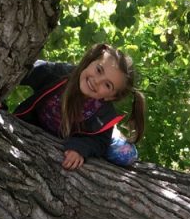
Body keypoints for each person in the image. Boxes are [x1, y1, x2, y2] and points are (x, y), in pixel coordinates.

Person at [11, 43, 146, 171]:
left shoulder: (104, 113)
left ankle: (114, 133)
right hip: (42, 124)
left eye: (107, 85)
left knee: (126, 156)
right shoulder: (57, 74)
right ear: (91, 62)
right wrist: (0, 97)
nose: (97, 81)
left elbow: (99, 141)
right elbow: (19, 70)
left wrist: (81, 148)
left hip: (94, 130)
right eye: (99, 70)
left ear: (111, 97)